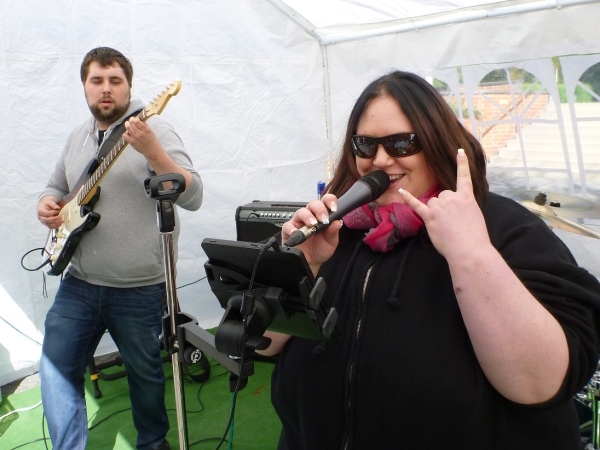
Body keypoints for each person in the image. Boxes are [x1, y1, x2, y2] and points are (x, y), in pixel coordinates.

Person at [262, 70, 600, 449]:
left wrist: (472, 254)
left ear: (437, 142)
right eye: (365, 144)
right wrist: (299, 269)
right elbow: (262, 343)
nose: (380, 159)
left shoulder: (506, 227)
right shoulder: (333, 229)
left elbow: (542, 383)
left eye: (401, 143)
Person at [37, 47, 202, 450]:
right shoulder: (77, 136)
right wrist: (47, 203)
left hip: (139, 288)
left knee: (145, 376)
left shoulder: (154, 128)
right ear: (85, 87)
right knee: (56, 369)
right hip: (79, 282)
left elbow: (193, 195)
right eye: (97, 80)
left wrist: (152, 152)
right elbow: (57, 186)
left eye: (115, 80)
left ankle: (152, 443)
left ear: (129, 86)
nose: (106, 89)